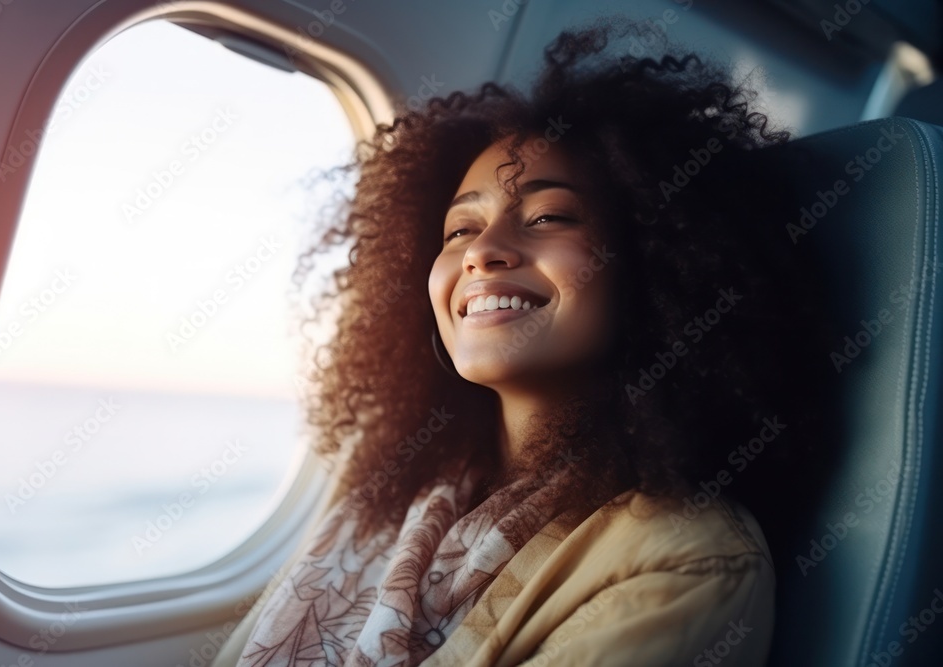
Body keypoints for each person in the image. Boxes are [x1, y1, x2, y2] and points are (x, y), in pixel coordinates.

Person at [213, 17, 838, 667]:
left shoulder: (688, 559)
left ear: (660, 262)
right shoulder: (392, 497)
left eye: (547, 217)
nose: (482, 252)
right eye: (459, 230)